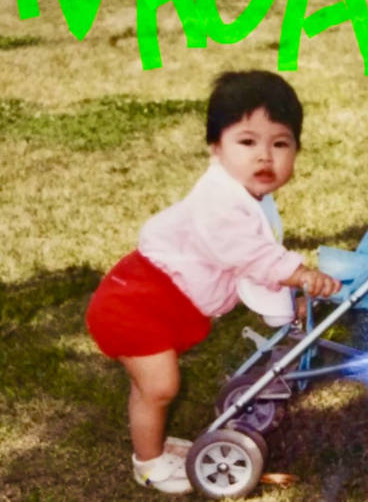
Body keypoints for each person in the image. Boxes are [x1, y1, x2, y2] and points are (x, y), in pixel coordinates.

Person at [85, 70, 342, 494]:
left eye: (280, 144)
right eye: (247, 142)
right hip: (137, 302)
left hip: (161, 302)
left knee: (149, 387)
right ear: (216, 148)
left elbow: (254, 271)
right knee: (159, 386)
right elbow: (252, 256)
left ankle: (154, 442)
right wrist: (299, 274)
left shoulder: (252, 199)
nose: (265, 157)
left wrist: (288, 304)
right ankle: (148, 464)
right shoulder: (219, 199)